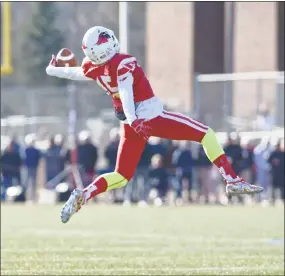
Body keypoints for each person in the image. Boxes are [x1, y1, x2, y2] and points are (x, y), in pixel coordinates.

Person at [45, 26, 263, 223]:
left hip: (132, 125)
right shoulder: (123, 62)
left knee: (121, 177)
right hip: (148, 118)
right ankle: (232, 179)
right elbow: (126, 92)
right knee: (206, 134)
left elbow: (76, 73)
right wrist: (134, 119)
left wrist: (52, 70)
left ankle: (85, 194)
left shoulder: (94, 67)